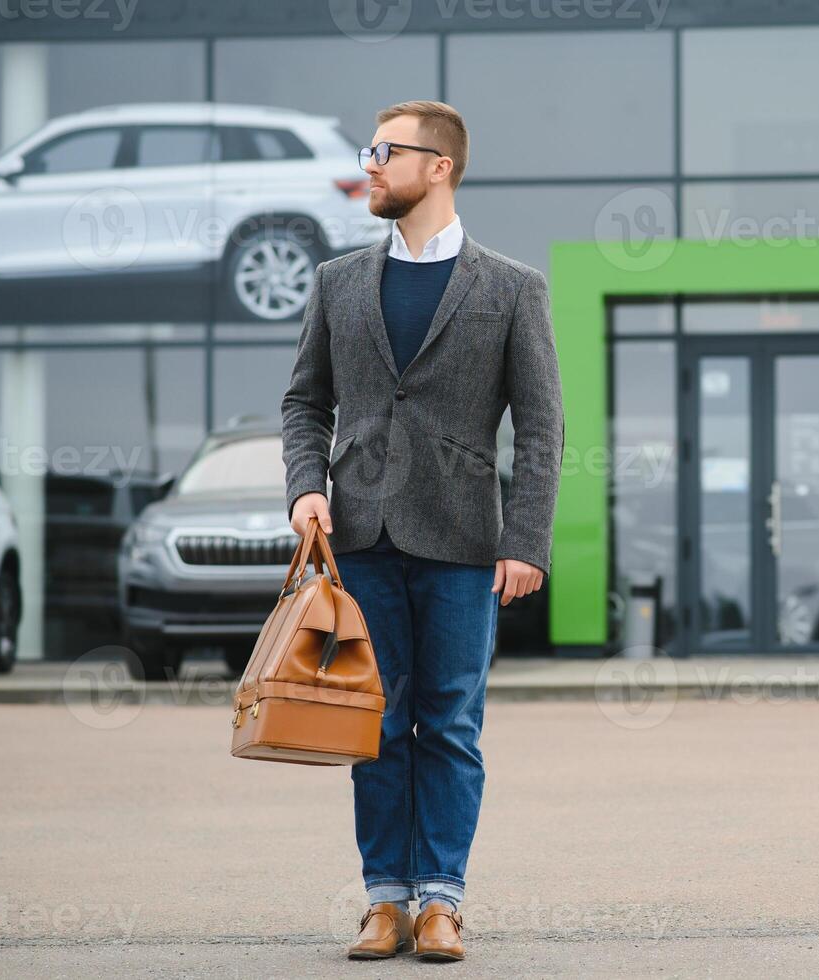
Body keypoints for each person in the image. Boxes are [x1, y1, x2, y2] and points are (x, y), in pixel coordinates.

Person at [280, 99, 564, 962]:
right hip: (359, 537)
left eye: (384, 151)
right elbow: (305, 401)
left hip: (462, 545)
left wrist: (525, 540)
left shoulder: (511, 287)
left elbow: (543, 426)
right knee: (374, 722)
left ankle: (441, 898)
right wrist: (305, 489)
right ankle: (383, 899)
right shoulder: (337, 282)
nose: (369, 165)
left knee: (448, 725)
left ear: (437, 166)